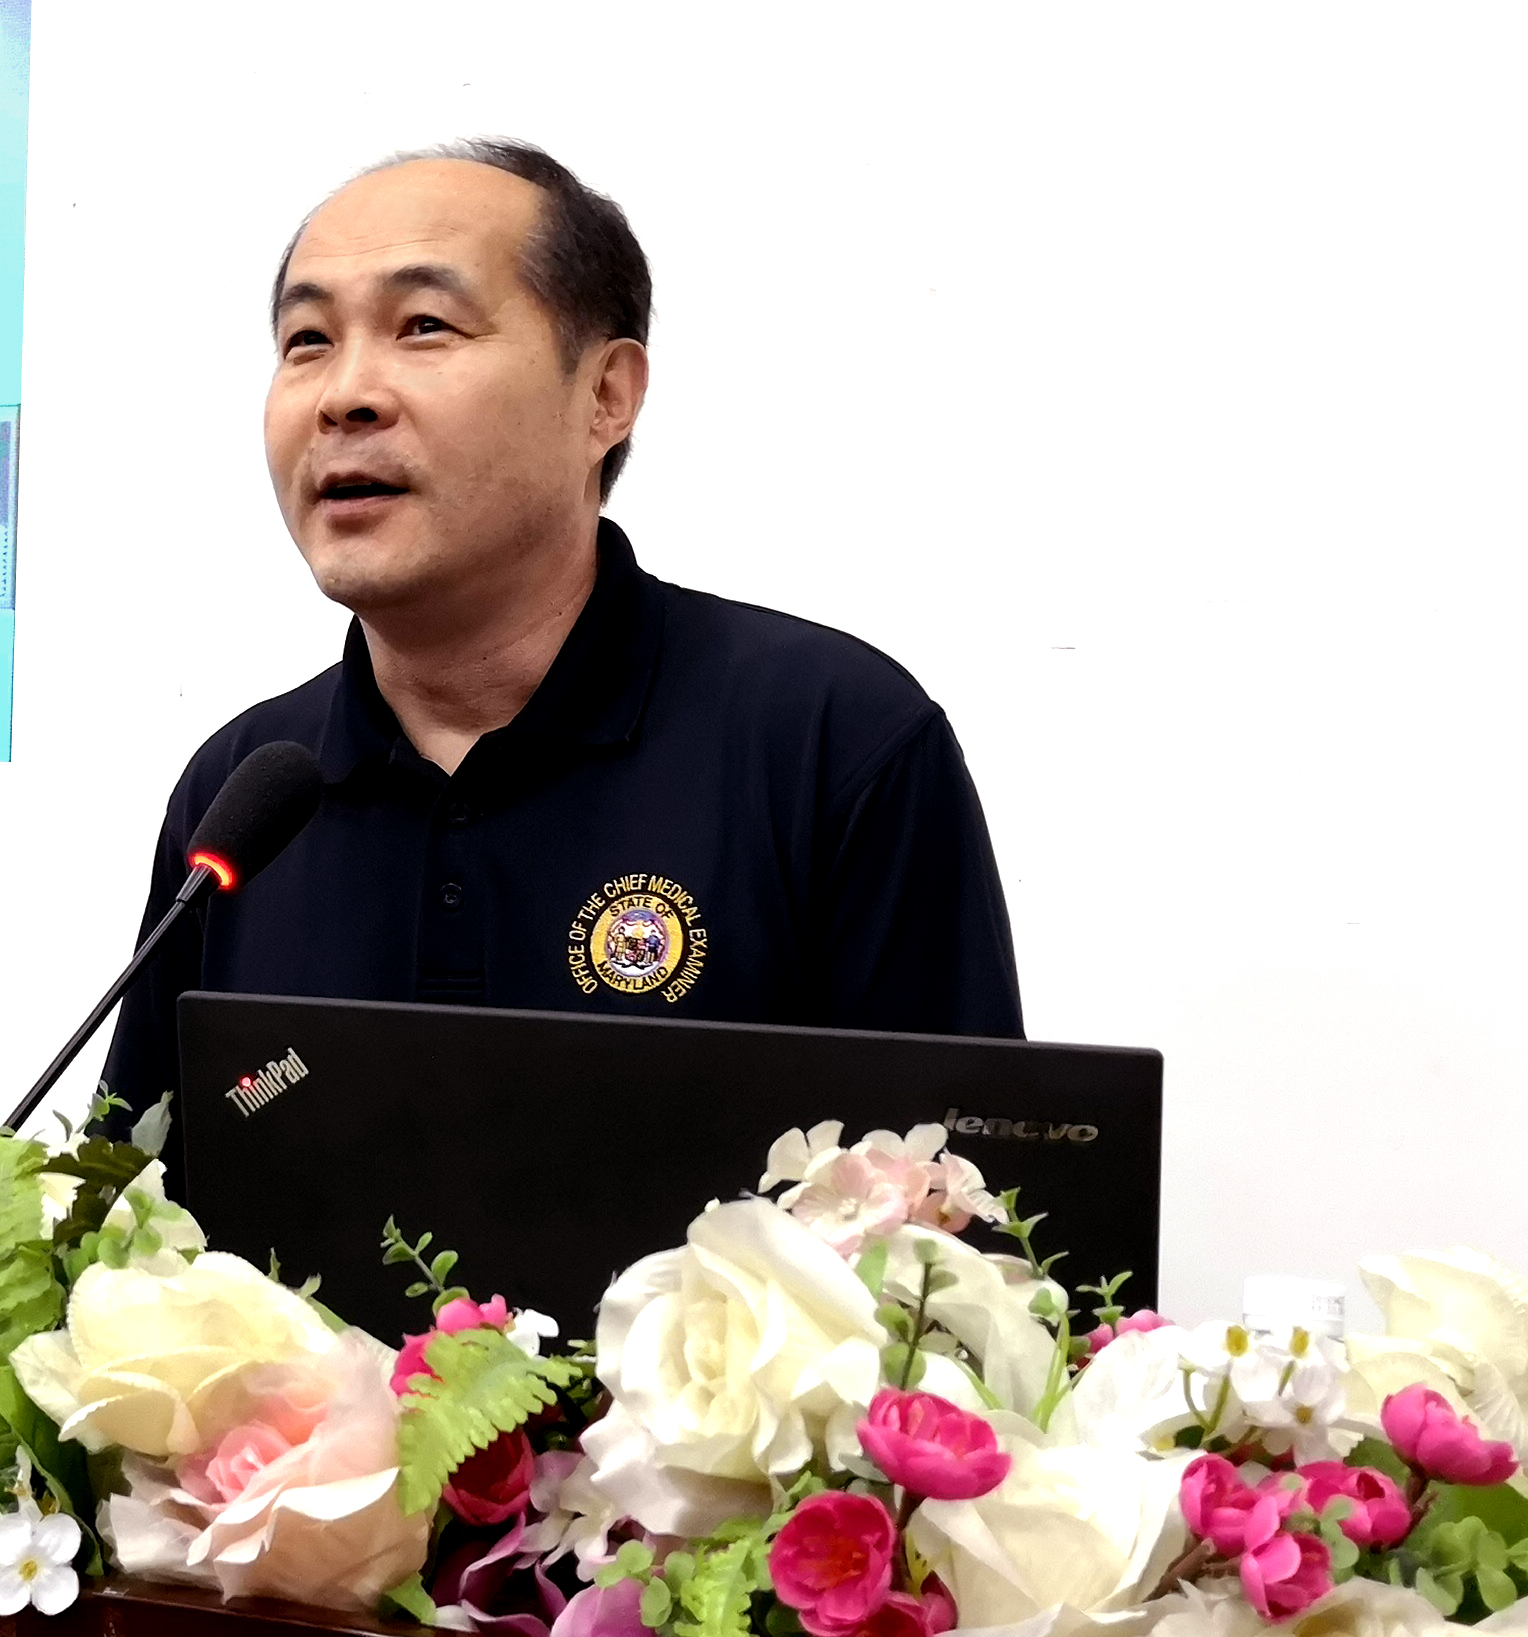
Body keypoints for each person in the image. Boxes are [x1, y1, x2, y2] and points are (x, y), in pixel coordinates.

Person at [97, 139, 1022, 1113]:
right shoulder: (242, 797)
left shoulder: (830, 741)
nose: (344, 396)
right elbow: (133, 1194)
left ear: (605, 396)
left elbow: (956, 1190)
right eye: (308, 341)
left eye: (424, 325)